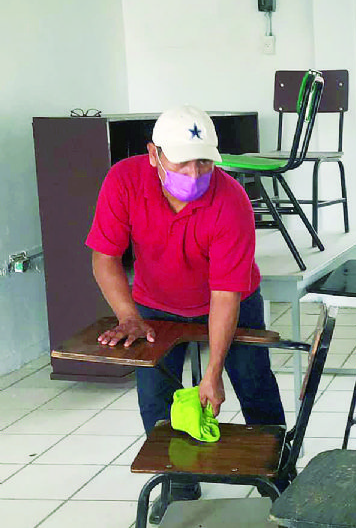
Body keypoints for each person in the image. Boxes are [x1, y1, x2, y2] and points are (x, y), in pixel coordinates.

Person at [85, 105, 285, 516]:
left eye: (204, 162)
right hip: (156, 304)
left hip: (230, 299)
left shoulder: (231, 200)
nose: (194, 174)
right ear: (154, 154)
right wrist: (128, 316)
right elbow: (105, 256)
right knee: (156, 394)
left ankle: (279, 478)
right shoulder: (124, 181)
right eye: (182, 162)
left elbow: (225, 294)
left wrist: (213, 373)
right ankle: (178, 484)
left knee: (253, 383)